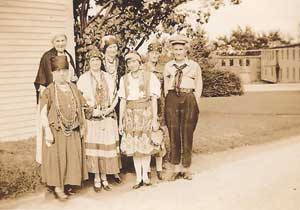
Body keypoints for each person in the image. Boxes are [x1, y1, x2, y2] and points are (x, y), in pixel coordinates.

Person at [39, 56, 88, 200]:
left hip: (73, 128)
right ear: (53, 73)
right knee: (58, 159)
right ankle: (58, 187)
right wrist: (47, 130)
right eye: (58, 71)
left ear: (68, 72)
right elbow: (43, 112)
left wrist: (83, 125)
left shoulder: (73, 87)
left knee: (71, 157)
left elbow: (81, 107)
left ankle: (68, 183)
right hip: (57, 131)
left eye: (64, 71)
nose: (62, 74)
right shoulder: (49, 90)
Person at [77, 48, 121, 192]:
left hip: (107, 116)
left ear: (101, 61)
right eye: (92, 60)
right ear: (89, 62)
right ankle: (96, 177)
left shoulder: (108, 77)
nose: (95, 63)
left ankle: (104, 177)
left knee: (105, 146)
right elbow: (81, 99)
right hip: (93, 118)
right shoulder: (83, 79)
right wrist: (92, 110)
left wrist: (109, 109)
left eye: (97, 60)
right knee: (95, 147)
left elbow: (116, 97)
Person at [118, 51, 161, 189]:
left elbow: (154, 99)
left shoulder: (150, 77)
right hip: (130, 115)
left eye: (134, 61)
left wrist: (154, 119)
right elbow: (123, 101)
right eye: (129, 62)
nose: (132, 65)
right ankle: (138, 178)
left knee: (145, 146)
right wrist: (121, 121)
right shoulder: (124, 79)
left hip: (146, 114)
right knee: (135, 147)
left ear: (139, 62)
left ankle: (146, 177)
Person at [35, 34, 79, 164]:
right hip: (52, 94)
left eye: (63, 40)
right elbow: (43, 77)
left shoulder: (69, 56)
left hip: (66, 95)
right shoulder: (47, 56)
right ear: (53, 43)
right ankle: (51, 162)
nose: (60, 43)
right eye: (57, 41)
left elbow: (72, 75)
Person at [163, 34, 203, 181]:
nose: (178, 52)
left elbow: (199, 84)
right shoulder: (168, 66)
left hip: (188, 98)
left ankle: (186, 168)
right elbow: (166, 85)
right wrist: (168, 98)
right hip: (173, 97)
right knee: (173, 132)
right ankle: (175, 168)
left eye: (181, 49)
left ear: (186, 50)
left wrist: (195, 101)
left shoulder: (194, 66)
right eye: (176, 49)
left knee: (187, 132)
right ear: (172, 51)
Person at [144, 41, 167, 180]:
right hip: (146, 105)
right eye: (152, 53)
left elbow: (164, 89)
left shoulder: (162, 69)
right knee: (146, 135)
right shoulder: (142, 69)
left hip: (159, 104)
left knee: (159, 135)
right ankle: (146, 168)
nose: (154, 55)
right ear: (148, 54)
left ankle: (159, 168)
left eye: (157, 53)